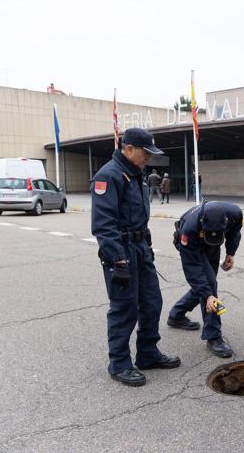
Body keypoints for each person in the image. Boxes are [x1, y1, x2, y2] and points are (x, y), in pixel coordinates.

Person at [91, 127, 181, 387]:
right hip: (122, 252)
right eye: (146, 152)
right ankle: (119, 363)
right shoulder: (108, 176)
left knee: (152, 302)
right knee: (124, 308)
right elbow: (103, 225)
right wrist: (118, 260)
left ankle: (148, 353)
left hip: (141, 248)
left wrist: (146, 246)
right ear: (128, 149)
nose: (149, 158)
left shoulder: (137, 175)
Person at [167, 201, 243, 358]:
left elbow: (235, 232)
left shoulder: (235, 214)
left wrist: (230, 252)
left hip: (213, 245)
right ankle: (213, 336)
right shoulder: (190, 229)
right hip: (193, 246)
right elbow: (192, 270)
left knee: (206, 285)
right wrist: (208, 295)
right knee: (208, 286)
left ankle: (176, 315)